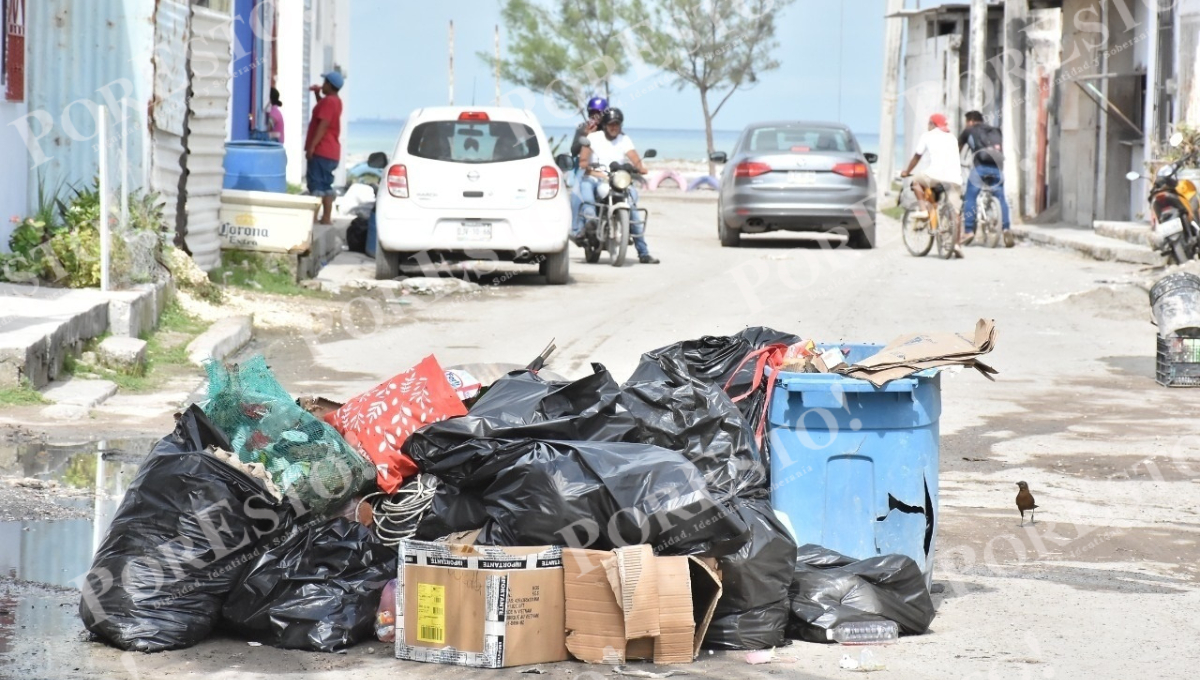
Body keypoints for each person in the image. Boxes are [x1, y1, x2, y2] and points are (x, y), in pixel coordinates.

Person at [576, 107, 660, 264]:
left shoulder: (624, 139)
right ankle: (588, 226)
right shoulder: (594, 137)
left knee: (633, 206)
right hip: (596, 176)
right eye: (611, 124)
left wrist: (640, 167)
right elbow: (583, 160)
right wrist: (587, 165)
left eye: (617, 124)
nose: (614, 127)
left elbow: (634, 157)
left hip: (617, 178)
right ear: (605, 125)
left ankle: (643, 252)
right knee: (587, 197)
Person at [900, 113, 964, 247]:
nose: (927, 126)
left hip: (936, 175)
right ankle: (956, 245)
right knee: (956, 211)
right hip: (954, 177)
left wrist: (907, 171)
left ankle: (923, 210)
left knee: (916, 181)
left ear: (933, 125)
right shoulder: (951, 137)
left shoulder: (927, 136)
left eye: (929, 123)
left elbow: (917, 157)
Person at [959, 110, 1014, 247]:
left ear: (971, 121)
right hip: (997, 168)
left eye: (966, 122)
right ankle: (1006, 228)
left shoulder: (969, 131)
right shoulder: (994, 131)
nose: (966, 125)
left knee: (970, 197)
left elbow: (957, 149)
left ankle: (968, 231)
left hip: (980, 168)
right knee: (1001, 197)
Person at [305, 71, 344, 225]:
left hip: (322, 149)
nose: (322, 85)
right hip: (332, 152)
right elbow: (323, 110)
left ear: (329, 84)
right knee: (325, 185)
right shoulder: (335, 101)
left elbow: (324, 124)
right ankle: (326, 217)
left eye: (324, 82)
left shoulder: (329, 102)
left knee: (316, 184)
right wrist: (316, 94)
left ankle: (314, 218)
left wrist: (312, 147)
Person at [569, 97, 608, 238]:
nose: (595, 117)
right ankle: (576, 229)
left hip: (605, 169)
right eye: (592, 113)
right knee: (576, 194)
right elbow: (574, 150)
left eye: (599, 113)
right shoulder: (582, 128)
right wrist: (587, 135)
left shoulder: (609, 129)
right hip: (585, 168)